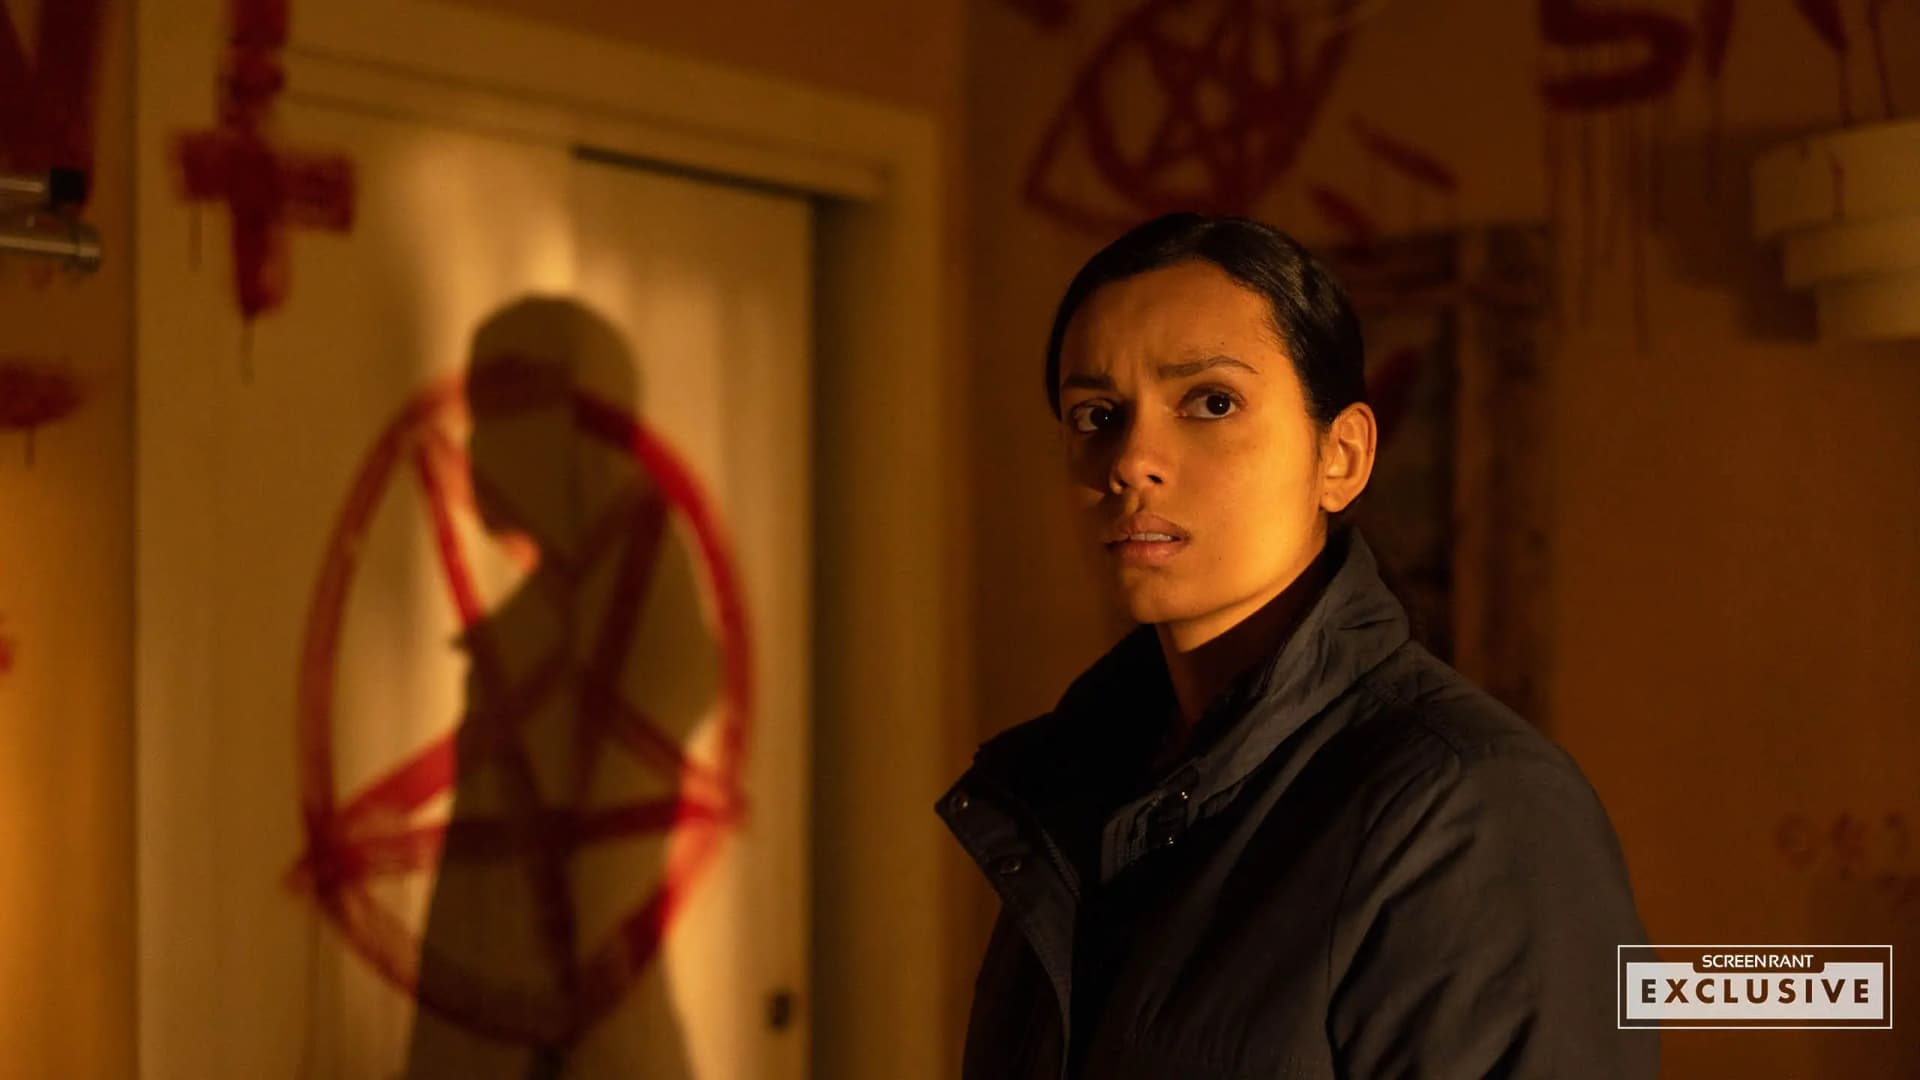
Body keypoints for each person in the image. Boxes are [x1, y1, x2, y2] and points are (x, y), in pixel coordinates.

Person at [937, 214, 1657, 1079]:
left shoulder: (1471, 807)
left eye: (1211, 402)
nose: (1131, 460)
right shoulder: (1076, 787)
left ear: (1341, 456)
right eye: (1096, 414)